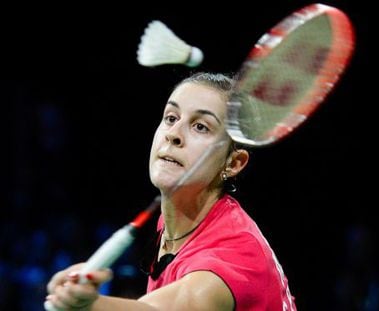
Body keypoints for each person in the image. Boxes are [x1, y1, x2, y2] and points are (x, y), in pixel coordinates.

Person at [45, 72, 297, 310]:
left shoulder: (236, 256)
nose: (174, 135)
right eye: (171, 118)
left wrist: (92, 306)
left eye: (201, 127)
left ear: (233, 163)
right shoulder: (180, 215)